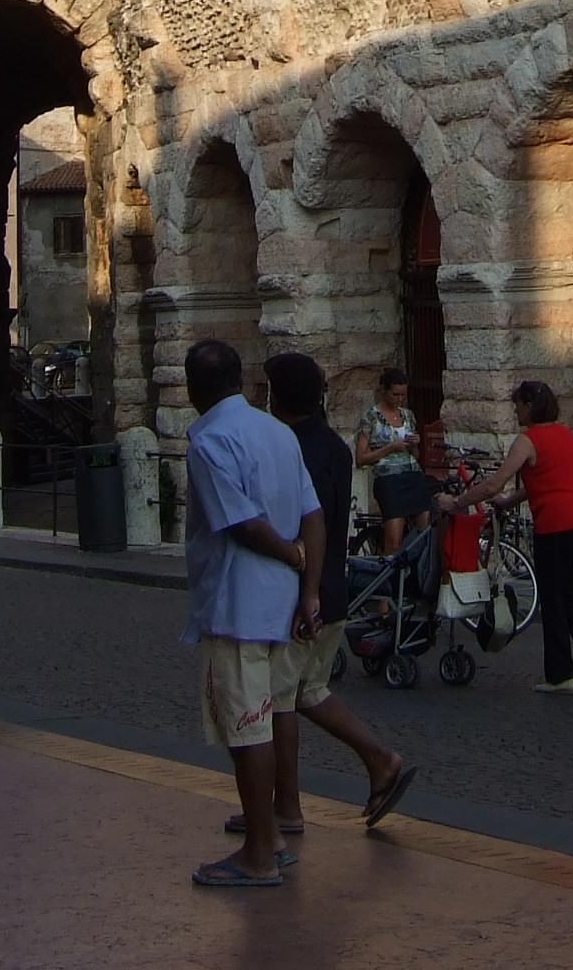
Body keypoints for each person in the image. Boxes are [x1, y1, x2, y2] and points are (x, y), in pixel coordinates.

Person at [241, 353, 416, 841]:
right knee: (308, 691)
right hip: (332, 586)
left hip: (305, 591)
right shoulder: (335, 445)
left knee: (281, 699)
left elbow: (305, 523)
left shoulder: (290, 447)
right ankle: (378, 760)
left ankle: (286, 808)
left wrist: (306, 593)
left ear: (278, 396)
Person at [179, 339, 316, 889]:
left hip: (236, 602)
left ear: (194, 387)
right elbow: (313, 513)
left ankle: (259, 853)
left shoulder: (209, 441)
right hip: (283, 602)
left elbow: (241, 523)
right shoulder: (278, 432)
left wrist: (290, 555)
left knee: (246, 727)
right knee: (273, 713)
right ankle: (273, 835)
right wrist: (308, 588)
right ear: (241, 379)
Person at [439, 379, 573, 695]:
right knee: (568, 592)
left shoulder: (527, 440)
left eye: (518, 405)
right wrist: (509, 502)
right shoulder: (565, 435)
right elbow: (547, 481)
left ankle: (561, 676)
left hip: (555, 525)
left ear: (530, 406)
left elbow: (493, 484)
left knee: (553, 598)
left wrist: (457, 502)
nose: (515, 411)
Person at [357, 368, 430, 554]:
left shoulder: (407, 415)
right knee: (393, 540)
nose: (399, 399)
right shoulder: (371, 417)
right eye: (395, 394)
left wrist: (414, 444)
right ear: (384, 390)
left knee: (424, 534)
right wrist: (390, 447)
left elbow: (416, 456)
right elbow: (361, 458)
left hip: (412, 474)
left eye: (403, 395)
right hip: (389, 479)